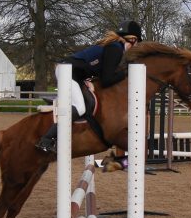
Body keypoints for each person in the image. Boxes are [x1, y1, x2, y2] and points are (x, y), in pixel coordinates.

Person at [35, 20, 142, 154]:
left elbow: (101, 73)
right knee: (80, 108)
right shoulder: (116, 49)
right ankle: (47, 139)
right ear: (132, 39)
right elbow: (107, 80)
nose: (136, 45)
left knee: (86, 102)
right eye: (137, 42)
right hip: (68, 71)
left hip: (73, 72)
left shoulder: (113, 46)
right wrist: (126, 73)